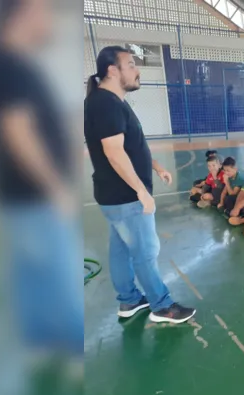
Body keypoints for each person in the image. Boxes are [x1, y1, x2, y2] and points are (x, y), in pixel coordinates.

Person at [0, 0, 82, 365]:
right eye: (42, 10)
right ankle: (72, 351)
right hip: (36, 197)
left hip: (18, 195)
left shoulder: (5, 62)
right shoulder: (6, 66)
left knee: (30, 274)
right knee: (61, 279)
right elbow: (16, 131)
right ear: (20, 14)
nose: (48, 18)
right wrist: (54, 187)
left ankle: (39, 343)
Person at [83, 46, 195, 323]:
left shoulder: (109, 102)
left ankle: (129, 301)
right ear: (112, 70)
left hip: (114, 196)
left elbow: (133, 146)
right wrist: (141, 191)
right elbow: (114, 151)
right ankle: (162, 306)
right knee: (145, 253)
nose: (137, 70)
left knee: (121, 250)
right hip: (126, 197)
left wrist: (155, 166)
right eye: (131, 64)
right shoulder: (106, 103)